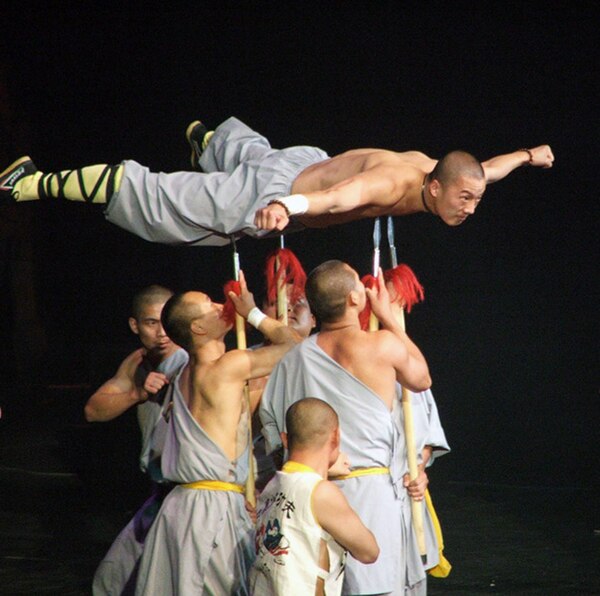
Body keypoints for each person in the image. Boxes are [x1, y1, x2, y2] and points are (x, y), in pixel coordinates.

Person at [0, 117, 554, 245]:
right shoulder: (394, 182)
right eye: (465, 199)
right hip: (280, 191)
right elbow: (344, 197)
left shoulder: (438, 167)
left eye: (474, 199)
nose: (470, 207)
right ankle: (28, 183)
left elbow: (486, 171)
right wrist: (288, 207)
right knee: (158, 202)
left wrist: (528, 156)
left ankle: (213, 141)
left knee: (251, 157)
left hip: (299, 161)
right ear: (435, 188)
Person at [260, 259, 432, 595]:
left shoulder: (294, 358)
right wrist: (390, 320)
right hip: (372, 493)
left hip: (314, 493)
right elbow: (421, 378)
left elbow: (273, 427)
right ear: (355, 299)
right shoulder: (382, 344)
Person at [134, 271, 301, 595]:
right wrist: (251, 311)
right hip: (208, 508)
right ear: (197, 328)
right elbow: (294, 345)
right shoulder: (227, 367)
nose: (221, 304)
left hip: (182, 508)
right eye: (210, 305)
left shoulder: (185, 373)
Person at [84, 285, 189, 596]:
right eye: (151, 323)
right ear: (135, 326)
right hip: (159, 494)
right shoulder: (138, 363)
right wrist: (137, 393)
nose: (161, 333)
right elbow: (93, 410)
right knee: (112, 581)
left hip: (187, 492)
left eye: (166, 321)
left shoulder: (189, 360)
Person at [249, 397, 379, 596]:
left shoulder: (271, 486)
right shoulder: (320, 492)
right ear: (336, 437)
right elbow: (369, 551)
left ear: (284, 439)